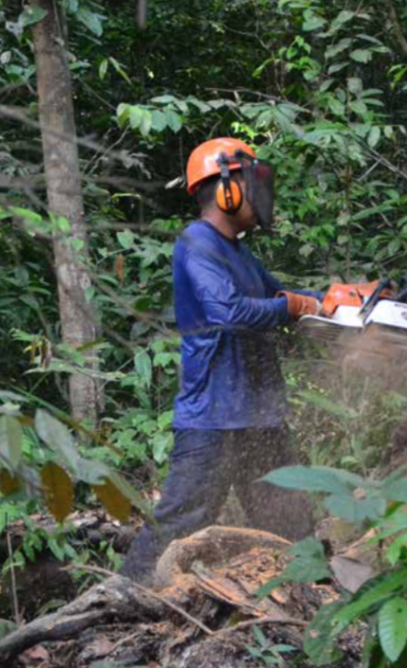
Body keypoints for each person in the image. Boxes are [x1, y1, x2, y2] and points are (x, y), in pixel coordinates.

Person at [120, 138, 322, 584]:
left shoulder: (240, 253)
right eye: (254, 184)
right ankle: (123, 597)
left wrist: (342, 300)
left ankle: (315, 596)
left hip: (259, 415)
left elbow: (282, 297)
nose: (261, 194)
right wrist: (292, 306)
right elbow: (228, 311)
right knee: (179, 521)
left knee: (289, 516)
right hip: (213, 418)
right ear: (228, 189)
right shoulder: (197, 243)